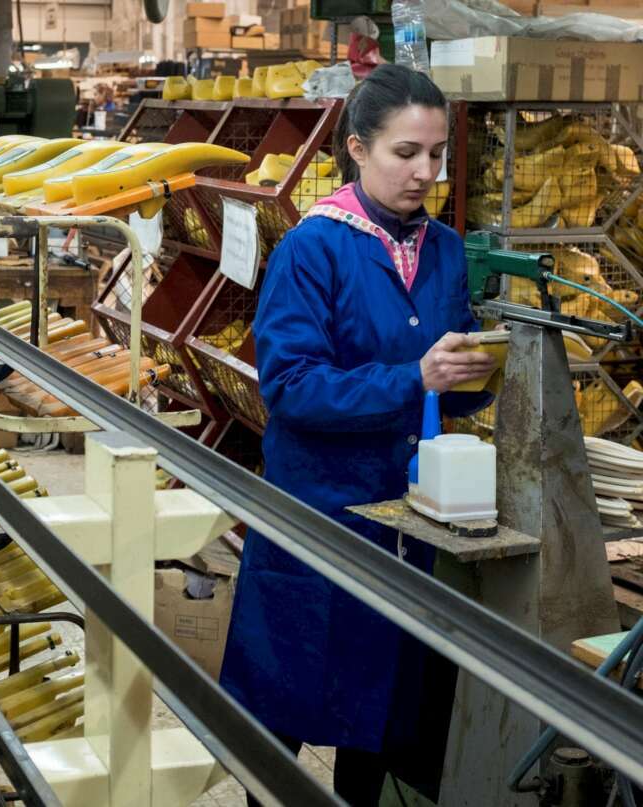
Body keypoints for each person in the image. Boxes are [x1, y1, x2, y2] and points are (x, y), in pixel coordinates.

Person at [218, 64, 497, 806]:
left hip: (403, 521)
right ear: (356, 148)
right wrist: (415, 379)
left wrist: (479, 370)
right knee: (276, 717)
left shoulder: (441, 248)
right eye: (406, 153)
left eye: (436, 154)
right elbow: (291, 387)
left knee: (376, 711)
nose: (426, 172)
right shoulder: (314, 249)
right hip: (318, 518)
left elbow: (450, 377)